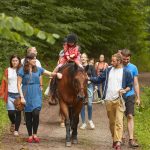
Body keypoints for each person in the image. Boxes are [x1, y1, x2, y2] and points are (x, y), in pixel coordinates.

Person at [90, 53, 133, 150]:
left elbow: (130, 85)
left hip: (119, 100)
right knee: (112, 123)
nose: (111, 62)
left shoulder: (126, 72)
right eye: (111, 61)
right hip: (108, 100)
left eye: (113, 61)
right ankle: (115, 139)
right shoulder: (108, 70)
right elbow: (99, 79)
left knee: (119, 122)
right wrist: (89, 78)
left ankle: (118, 142)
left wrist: (124, 90)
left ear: (119, 61)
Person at [17, 53, 61, 143]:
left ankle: (35, 134)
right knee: (28, 115)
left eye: (35, 58)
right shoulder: (22, 70)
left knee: (36, 113)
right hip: (26, 93)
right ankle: (30, 135)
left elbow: (49, 73)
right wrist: (21, 97)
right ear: (28, 60)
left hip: (36, 93)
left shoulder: (38, 69)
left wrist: (57, 74)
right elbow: (18, 84)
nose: (35, 60)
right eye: (33, 59)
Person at [121, 49, 140, 148]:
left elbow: (136, 83)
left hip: (130, 94)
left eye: (128, 59)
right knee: (120, 117)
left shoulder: (133, 68)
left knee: (129, 116)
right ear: (121, 57)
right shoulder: (118, 67)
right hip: (119, 95)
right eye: (124, 59)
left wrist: (138, 97)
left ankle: (131, 139)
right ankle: (121, 137)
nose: (126, 61)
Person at [0, 55, 22, 136]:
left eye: (16, 60)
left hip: (19, 95)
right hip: (9, 94)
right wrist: (2, 92)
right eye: (13, 60)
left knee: (18, 112)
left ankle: (16, 130)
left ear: (19, 61)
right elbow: (3, 82)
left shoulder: (22, 70)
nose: (15, 62)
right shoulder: (7, 70)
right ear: (11, 61)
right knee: (11, 112)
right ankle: (13, 122)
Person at [80, 53, 96, 130]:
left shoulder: (91, 67)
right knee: (82, 105)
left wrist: (91, 81)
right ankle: (83, 123)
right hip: (81, 88)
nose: (82, 58)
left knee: (89, 104)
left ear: (87, 59)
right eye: (81, 57)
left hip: (89, 86)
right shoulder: (78, 67)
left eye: (84, 57)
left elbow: (95, 76)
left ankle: (90, 120)